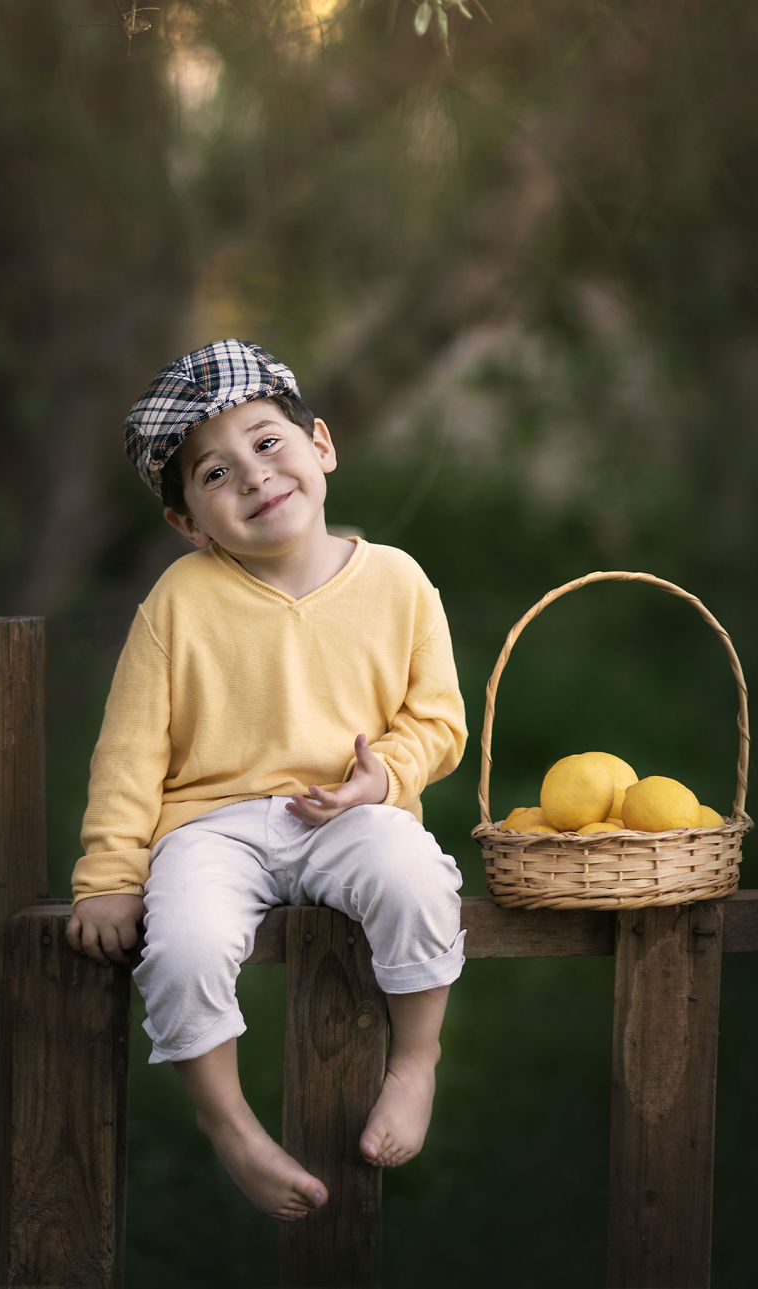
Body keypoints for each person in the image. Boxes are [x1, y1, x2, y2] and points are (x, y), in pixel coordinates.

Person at [65, 339, 468, 1222]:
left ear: (321, 444)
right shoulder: (180, 601)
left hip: (346, 811)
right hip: (211, 828)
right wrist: (107, 877)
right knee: (187, 944)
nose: (253, 474)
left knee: (415, 874)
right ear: (189, 522)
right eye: (215, 471)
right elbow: (129, 751)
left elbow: (438, 720)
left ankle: (416, 1061)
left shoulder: (397, 581)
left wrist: (383, 778)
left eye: (268, 441)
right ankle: (230, 1124)